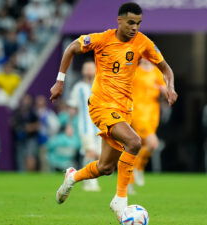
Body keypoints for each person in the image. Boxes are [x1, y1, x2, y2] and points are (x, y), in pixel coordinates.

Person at [49, 2, 178, 220]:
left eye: (138, 23)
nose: (135, 27)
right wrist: (59, 82)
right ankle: (120, 200)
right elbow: (71, 47)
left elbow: (165, 68)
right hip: (101, 105)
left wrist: (170, 87)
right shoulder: (101, 39)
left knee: (106, 167)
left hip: (123, 110)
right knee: (135, 142)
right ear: (119, 21)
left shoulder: (143, 43)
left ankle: (72, 177)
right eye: (130, 22)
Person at [129, 58, 166, 190]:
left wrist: (162, 90)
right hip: (138, 113)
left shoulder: (157, 72)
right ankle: (137, 169)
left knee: (140, 147)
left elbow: (166, 93)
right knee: (153, 143)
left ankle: (131, 178)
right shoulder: (135, 71)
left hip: (153, 115)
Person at [68, 61, 102, 192]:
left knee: (99, 155)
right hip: (85, 126)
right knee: (90, 152)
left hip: (100, 127)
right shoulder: (79, 87)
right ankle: (91, 182)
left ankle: (83, 177)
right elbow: (72, 108)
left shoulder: (101, 85)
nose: (88, 71)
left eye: (90, 68)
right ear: (82, 71)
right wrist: (69, 125)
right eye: (86, 68)